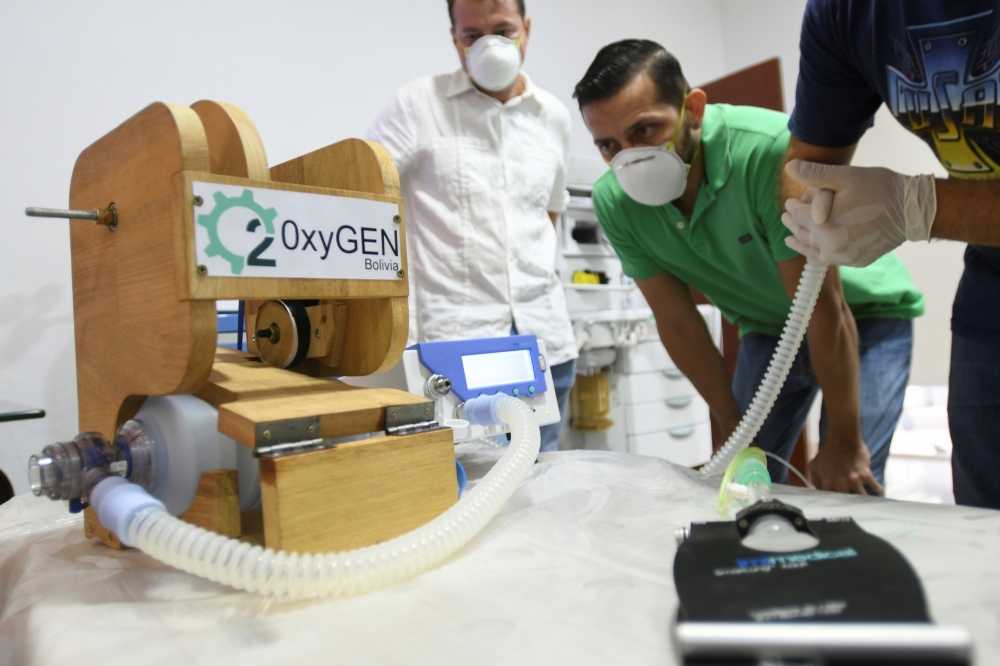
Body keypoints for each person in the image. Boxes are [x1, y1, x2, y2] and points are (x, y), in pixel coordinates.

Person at [574, 40, 925, 493]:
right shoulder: (615, 202)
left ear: (692, 110)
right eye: (608, 145)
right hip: (766, 325)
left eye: (645, 130)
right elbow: (679, 324)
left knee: (848, 481)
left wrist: (842, 440)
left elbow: (822, 306)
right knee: (742, 482)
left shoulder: (768, 152)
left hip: (861, 313)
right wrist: (733, 432)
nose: (630, 157)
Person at [779, 0, 1000, 509]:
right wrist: (816, 208)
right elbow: (802, 175)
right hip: (991, 279)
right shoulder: (846, 13)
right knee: (982, 515)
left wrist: (921, 206)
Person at [365, 0, 577, 452]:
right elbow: (363, 191)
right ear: (454, 38)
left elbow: (550, 213)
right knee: (471, 478)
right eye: (473, 35)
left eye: (503, 30)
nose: (489, 46)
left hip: (544, 339)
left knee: (543, 477)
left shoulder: (553, 116)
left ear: (527, 28)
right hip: (458, 345)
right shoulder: (419, 104)